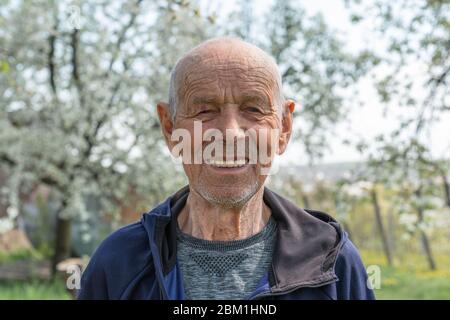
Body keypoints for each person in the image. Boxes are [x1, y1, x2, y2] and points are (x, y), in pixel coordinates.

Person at [78, 37, 375, 300]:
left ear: (283, 128)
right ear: (170, 128)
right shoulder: (118, 264)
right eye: (205, 110)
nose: (230, 133)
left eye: (253, 109)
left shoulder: (331, 261)